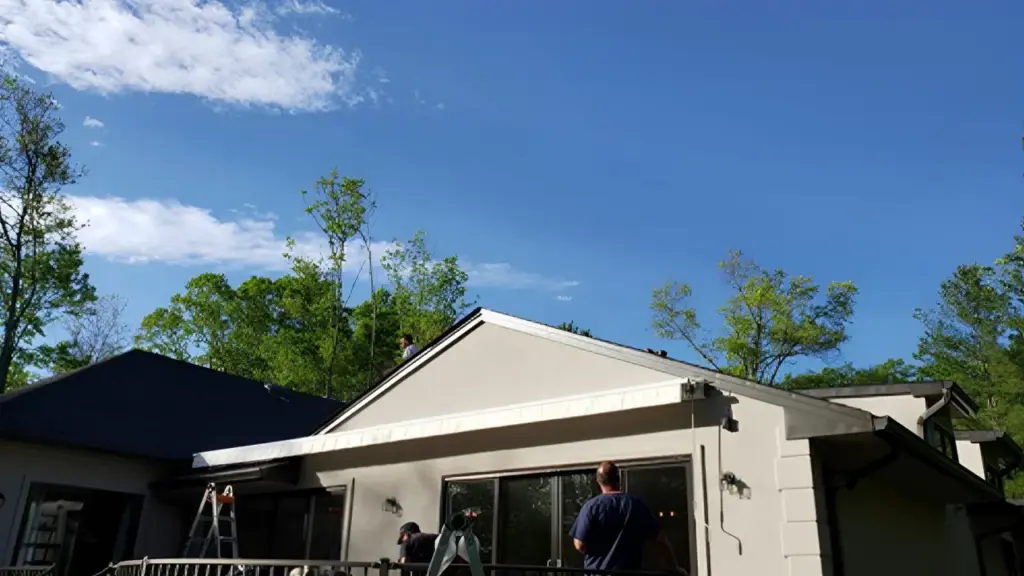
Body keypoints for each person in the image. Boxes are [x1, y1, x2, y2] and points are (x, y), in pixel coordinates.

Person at [569, 461, 684, 573]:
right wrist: (675, 567)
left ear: (599, 482)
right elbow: (661, 540)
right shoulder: (636, 504)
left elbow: (579, 545)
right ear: (619, 479)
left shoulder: (591, 507)